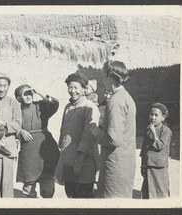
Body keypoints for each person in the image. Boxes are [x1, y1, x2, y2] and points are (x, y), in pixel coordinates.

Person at [92, 60, 136, 198]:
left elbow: (113, 139)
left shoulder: (116, 101)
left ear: (109, 77)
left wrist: (95, 131)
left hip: (115, 165)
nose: (102, 79)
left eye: (103, 75)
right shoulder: (125, 97)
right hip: (124, 162)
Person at [54, 73, 100, 198]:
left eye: (76, 88)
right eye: (70, 87)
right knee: (71, 194)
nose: (72, 91)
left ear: (84, 89)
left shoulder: (90, 107)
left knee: (84, 196)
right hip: (68, 159)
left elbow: (89, 137)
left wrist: (80, 162)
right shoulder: (68, 107)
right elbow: (63, 132)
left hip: (83, 160)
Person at [15, 84, 60, 198]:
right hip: (28, 150)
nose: (28, 96)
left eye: (30, 93)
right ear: (19, 98)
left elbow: (54, 104)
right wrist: (20, 131)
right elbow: (10, 124)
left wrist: (40, 92)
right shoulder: (16, 110)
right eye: (24, 94)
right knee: (29, 183)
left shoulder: (40, 106)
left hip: (46, 148)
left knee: (47, 181)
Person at [0, 72, 22, 198]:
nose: (2, 89)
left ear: (9, 87)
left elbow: (17, 124)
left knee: (6, 185)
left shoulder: (13, 103)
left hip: (8, 149)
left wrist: (0, 128)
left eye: (5, 86)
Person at [140, 103, 172, 199]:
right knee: (147, 193)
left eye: (156, 115)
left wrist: (154, 133)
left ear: (163, 117)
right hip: (149, 166)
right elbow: (144, 149)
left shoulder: (166, 131)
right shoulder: (148, 130)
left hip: (159, 168)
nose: (153, 118)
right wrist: (143, 165)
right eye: (151, 114)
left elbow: (160, 146)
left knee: (161, 192)